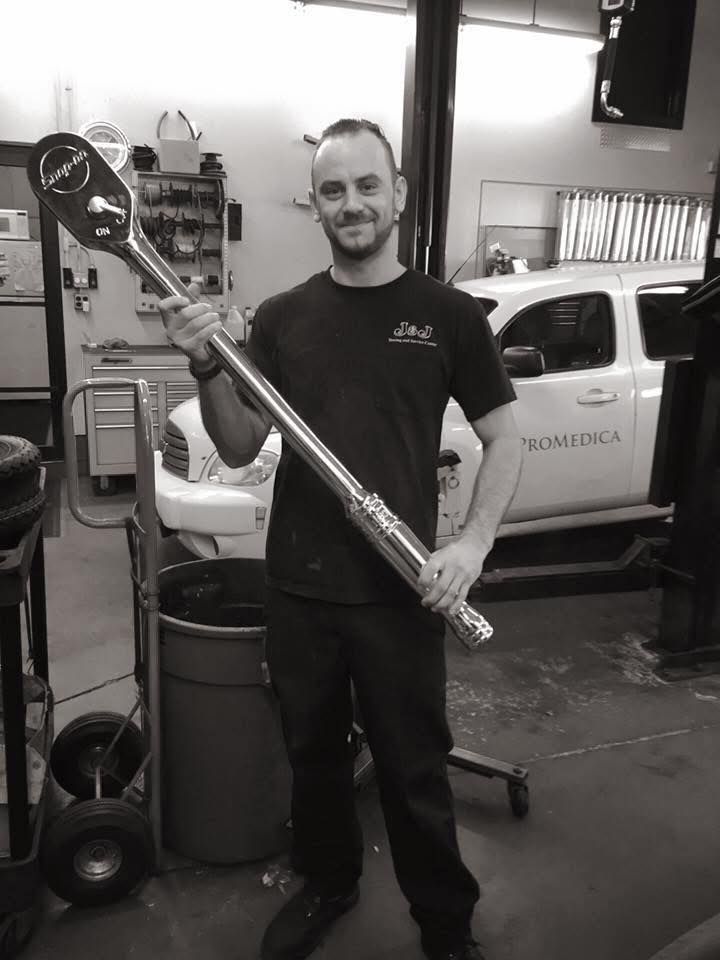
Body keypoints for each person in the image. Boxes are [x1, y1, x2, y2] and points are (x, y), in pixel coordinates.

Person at [159, 118, 522, 960]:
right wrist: (208, 367)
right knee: (313, 757)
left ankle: (445, 925)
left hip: (402, 592)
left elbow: (505, 436)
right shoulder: (284, 318)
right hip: (300, 587)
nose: (351, 204)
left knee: (413, 769)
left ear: (398, 195)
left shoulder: (448, 315)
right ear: (315, 204)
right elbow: (244, 444)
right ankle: (330, 884)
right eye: (332, 190)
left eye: (367, 186)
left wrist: (469, 545)